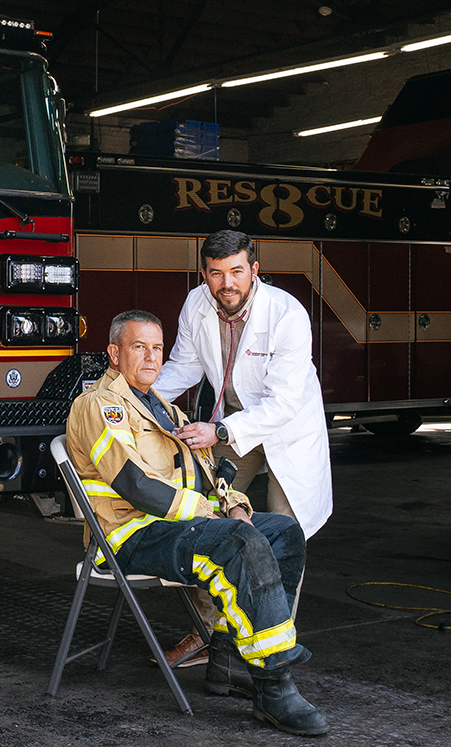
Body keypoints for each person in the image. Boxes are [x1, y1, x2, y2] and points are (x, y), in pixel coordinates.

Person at [65, 310, 328, 736]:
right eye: (138, 347)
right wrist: (215, 515)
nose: (151, 357)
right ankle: (274, 682)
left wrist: (236, 505)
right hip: (129, 535)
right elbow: (137, 486)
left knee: (283, 531)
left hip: (172, 524)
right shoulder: (99, 406)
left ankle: (225, 660)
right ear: (114, 354)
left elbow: (207, 472)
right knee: (238, 544)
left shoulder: (165, 409)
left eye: (157, 348)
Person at [154, 230, 333, 668]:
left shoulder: (286, 314)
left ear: (254, 270)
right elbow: (183, 366)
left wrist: (221, 431)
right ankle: (207, 635)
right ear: (204, 274)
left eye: (236, 271)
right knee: (207, 518)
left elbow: (285, 402)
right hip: (234, 427)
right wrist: (132, 398)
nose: (226, 283)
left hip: (285, 430)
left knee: (283, 535)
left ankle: (272, 650)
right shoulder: (198, 304)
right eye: (216, 273)